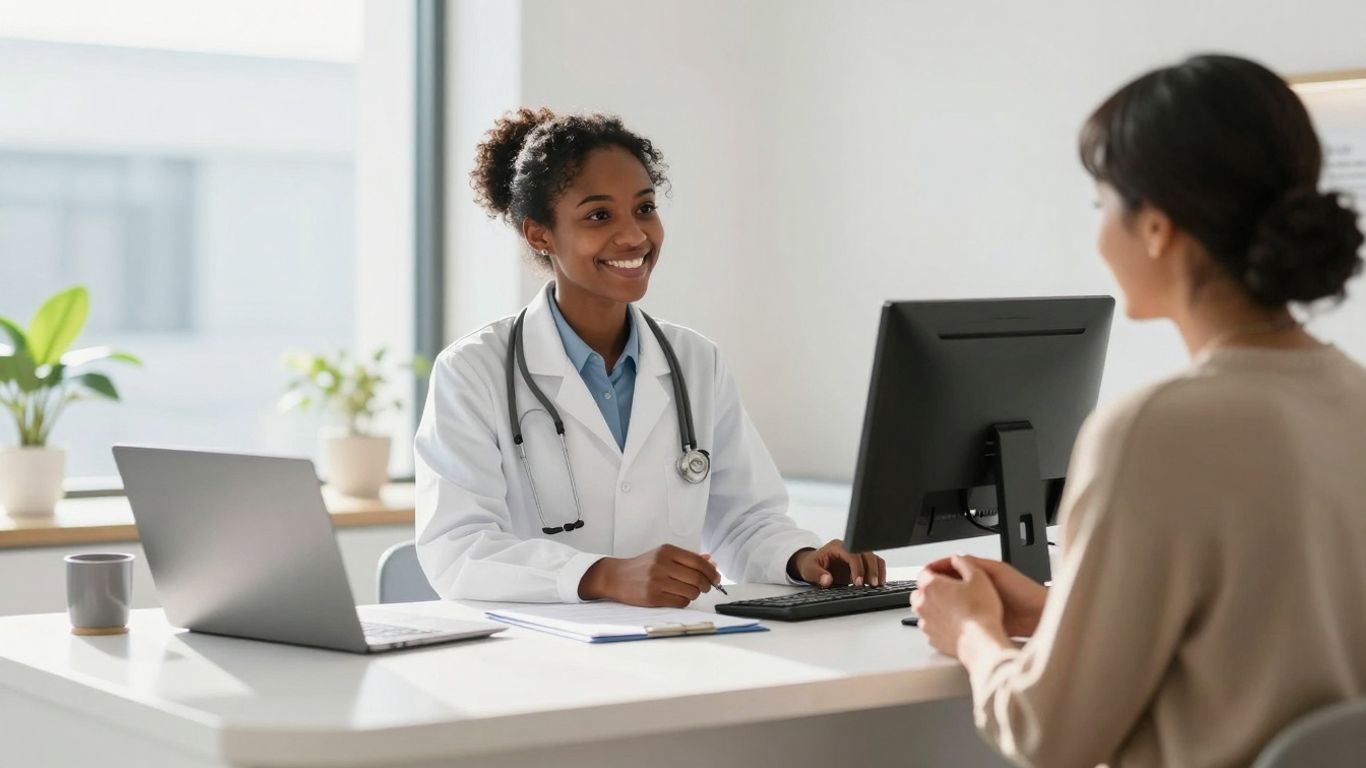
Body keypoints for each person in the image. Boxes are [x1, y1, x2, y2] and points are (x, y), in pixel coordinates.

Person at [911, 54, 1366, 767]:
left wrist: (972, 633)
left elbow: (1046, 735)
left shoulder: (1154, 431)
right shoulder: (1353, 397)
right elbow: (1264, 640)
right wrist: (1061, 613)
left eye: (1102, 206)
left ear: (1155, 227)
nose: (1099, 237)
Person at [415, 108, 884, 606]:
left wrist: (800, 558)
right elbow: (458, 549)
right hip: (538, 659)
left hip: (674, 645)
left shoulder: (694, 362)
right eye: (599, 215)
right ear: (540, 234)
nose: (635, 236)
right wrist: (601, 576)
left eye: (644, 208)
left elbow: (746, 522)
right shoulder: (474, 371)